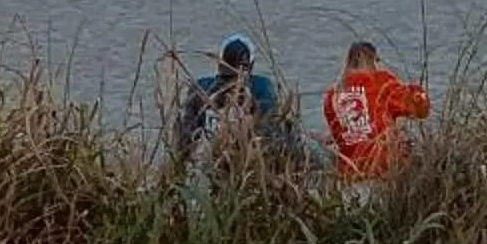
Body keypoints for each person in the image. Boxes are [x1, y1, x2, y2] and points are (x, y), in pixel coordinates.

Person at [179, 35, 296, 170]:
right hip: (250, 160)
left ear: (220, 62)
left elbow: (186, 136)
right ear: (251, 65)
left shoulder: (201, 87)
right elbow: (269, 130)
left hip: (210, 160)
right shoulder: (262, 86)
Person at [322, 39, 430, 179]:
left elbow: (341, 135)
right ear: (368, 59)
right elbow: (421, 110)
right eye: (376, 61)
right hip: (384, 164)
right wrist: (416, 89)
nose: (376, 67)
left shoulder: (331, 96)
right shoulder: (381, 81)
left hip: (350, 170)